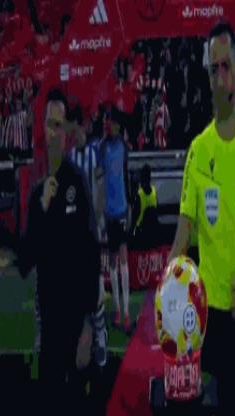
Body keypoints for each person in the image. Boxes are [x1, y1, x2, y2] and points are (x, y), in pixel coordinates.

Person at [167, 21, 235, 416]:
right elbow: (182, 238)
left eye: (226, 66)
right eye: (214, 68)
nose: (220, 76)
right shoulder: (198, 151)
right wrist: (169, 295)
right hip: (205, 322)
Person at [17, 88, 100, 416]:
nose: (54, 132)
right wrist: (41, 210)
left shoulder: (77, 184)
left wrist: (88, 326)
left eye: (58, 125)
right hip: (49, 326)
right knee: (51, 415)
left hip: (76, 324)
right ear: (42, 130)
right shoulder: (37, 191)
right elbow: (25, 261)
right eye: (48, 125)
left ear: (66, 132)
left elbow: (91, 255)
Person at [68, 104, 108, 370]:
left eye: (74, 126)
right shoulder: (70, 157)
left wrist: (98, 224)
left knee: (96, 287)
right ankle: (82, 338)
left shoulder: (95, 155)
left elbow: (100, 191)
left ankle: (101, 335)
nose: (73, 132)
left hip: (93, 232)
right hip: (75, 234)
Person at [99, 103, 132, 333]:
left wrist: (129, 205)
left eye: (109, 120)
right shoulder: (102, 148)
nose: (107, 124)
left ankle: (127, 312)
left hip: (121, 210)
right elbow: (100, 179)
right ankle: (118, 310)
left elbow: (126, 176)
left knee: (123, 259)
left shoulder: (123, 147)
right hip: (108, 212)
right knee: (111, 262)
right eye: (105, 120)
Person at [132, 163, 158, 248]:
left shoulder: (139, 195)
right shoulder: (154, 191)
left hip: (141, 234)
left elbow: (135, 217)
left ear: (141, 178)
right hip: (153, 234)